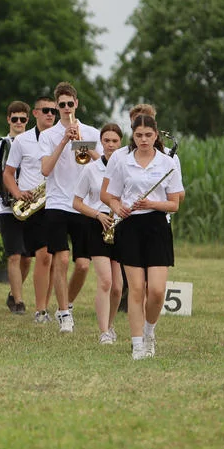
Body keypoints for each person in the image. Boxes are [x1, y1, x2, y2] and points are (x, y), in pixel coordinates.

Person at [101, 114, 183, 360]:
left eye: (148, 135)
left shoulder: (167, 163)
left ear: (156, 136)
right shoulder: (123, 162)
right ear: (133, 136)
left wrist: (151, 203)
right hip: (130, 227)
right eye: (139, 135)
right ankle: (137, 344)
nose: (144, 140)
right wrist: (118, 208)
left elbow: (175, 204)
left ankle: (149, 332)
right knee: (136, 289)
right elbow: (111, 195)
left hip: (157, 226)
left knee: (156, 291)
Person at [39, 82, 102, 334]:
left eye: (70, 104)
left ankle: (68, 304)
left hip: (83, 202)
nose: (66, 109)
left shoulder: (91, 132)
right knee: (61, 259)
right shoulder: (48, 135)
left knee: (84, 264)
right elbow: (45, 169)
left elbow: (103, 164)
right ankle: (64, 313)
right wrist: (64, 140)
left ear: (76, 104)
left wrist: (82, 143)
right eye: (61, 105)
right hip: (56, 202)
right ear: (57, 106)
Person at [2, 95, 58, 326]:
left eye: (53, 111)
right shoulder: (22, 141)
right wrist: (17, 194)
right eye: (45, 110)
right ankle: (35, 306)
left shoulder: (61, 137)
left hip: (55, 203)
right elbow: (7, 173)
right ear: (34, 113)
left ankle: (44, 306)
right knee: (33, 257)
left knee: (51, 258)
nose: (50, 114)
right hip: (31, 204)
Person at [72, 122, 123, 344]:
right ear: (101, 143)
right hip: (97, 224)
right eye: (106, 141)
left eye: (114, 141)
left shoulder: (125, 167)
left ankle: (110, 325)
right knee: (105, 281)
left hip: (120, 225)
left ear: (120, 143)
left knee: (118, 286)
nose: (110, 145)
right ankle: (103, 332)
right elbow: (76, 202)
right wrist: (97, 215)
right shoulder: (91, 169)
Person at [0, 100, 32, 314]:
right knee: (14, 255)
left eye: (23, 119)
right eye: (15, 119)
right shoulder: (0, 146)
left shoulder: (33, 143)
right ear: (8, 120)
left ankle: (14, 293)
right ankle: (19, 302)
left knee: (27, 258)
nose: (19, 122)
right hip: (7, 207)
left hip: (30, 206)